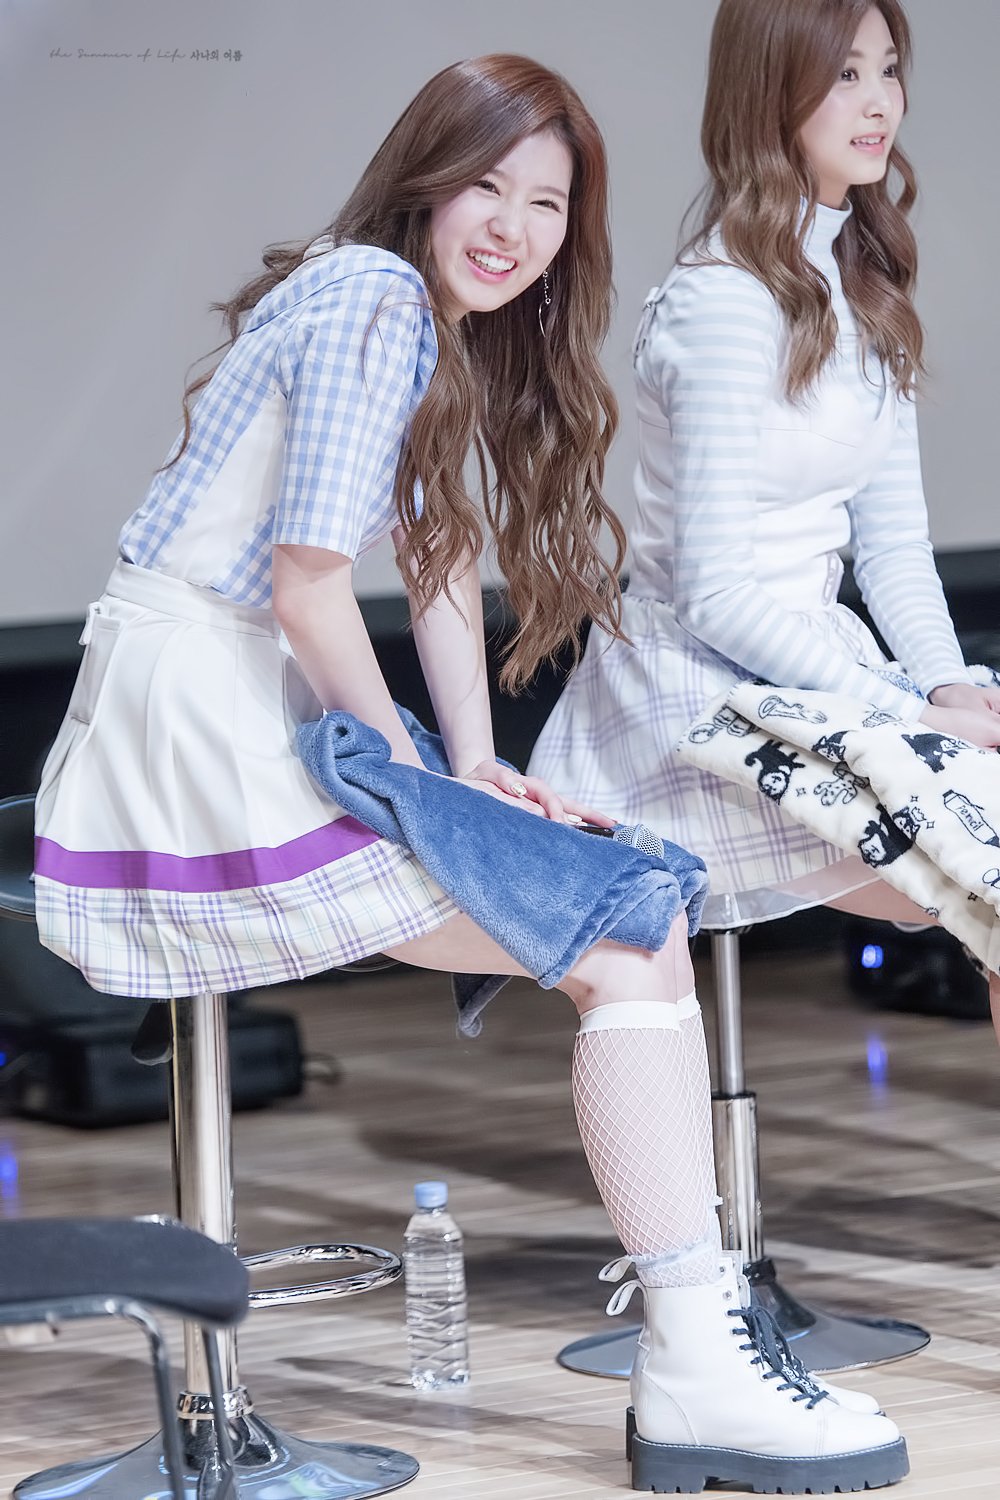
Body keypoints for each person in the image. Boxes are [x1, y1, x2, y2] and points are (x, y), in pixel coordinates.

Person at [32, 53, 907, 1493]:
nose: (513, 226)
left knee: (629, 911)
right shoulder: (375, 301)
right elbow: (312, 581)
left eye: (548, 204)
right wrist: (415, 780)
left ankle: (699, 1353)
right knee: (626, 932)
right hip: (202, 724)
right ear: (424, 180)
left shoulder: (397, 311)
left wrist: (478, 766)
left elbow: (434, 552)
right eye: (486, 186)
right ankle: (697, 1368)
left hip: (227, 699)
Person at [529, 0, 1000, 1024]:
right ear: (769, 93)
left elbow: (893, 545)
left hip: (812, 668)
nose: (879, 103)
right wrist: (910, 716)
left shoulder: (863, 287)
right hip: (695, 691)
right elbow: (714, 595)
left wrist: (949, 686)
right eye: (844, 75)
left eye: (887, 70)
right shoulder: (724, 301)